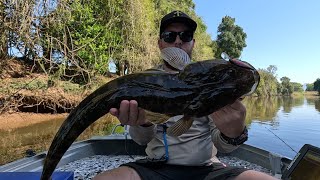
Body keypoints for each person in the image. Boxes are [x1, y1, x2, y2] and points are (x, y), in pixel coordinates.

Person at [94, 10, 277, 180]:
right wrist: (143, 122)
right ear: (160, 43)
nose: (178, 41)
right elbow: (142, 140)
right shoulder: (146, 81)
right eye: (170, 36)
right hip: (156, 167)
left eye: (186, 36)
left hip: (207, 169)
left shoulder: (211, 79)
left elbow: (224, 146)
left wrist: (234, 133)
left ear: (193, 42)